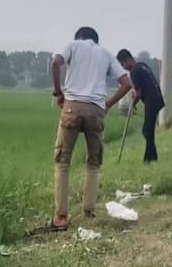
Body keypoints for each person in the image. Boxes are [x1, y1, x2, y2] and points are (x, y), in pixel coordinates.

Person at [50, 27, 131, 231]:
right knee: (93, 162)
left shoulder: (72, 46)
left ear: (78, 38)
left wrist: (58, 91)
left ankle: (61, 217)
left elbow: (55, 62)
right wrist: (108, 104)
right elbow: (126, 82)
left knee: (62, 160)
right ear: (96, 40)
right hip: (96, 110)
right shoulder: (105, 53)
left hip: (71, 106)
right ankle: (89, 213)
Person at [116, 50, 165, 163]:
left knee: (147, 131)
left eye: (123, 64)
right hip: (156, 99)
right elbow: (140, 88)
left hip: (151, 101)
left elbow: (139, 93)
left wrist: (133, 104)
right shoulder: (142, 66)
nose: (124, 67)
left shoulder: (135, 71)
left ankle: (149, 159)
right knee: (147, 131)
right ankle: (151, 157)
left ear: (128, 59)